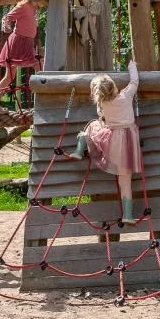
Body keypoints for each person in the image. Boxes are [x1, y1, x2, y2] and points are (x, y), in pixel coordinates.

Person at [67, 58, 142, 223]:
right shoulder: (126, 95)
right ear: (114, 86)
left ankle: (79, 150)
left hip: (113, 145)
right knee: (125, 182)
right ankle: (128, 215)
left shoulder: (102, 103)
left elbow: (102, 120)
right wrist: (131, 65)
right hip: (129, 146)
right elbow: (134, 81)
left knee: (91, 126)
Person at [0, 0, 39, 112]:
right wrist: (6, 25)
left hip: (28, 42)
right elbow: (7, 17)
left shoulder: (35, 6)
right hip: (18, 42)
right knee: (37, 65)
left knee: (12, 75)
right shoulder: (24, 5)